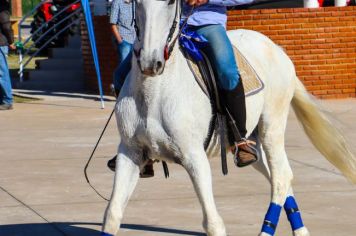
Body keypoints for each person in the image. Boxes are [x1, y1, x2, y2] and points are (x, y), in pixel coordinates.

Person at [183, 0, 259, 167]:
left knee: (227, 72)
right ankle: (137, 144)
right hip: (171, 25)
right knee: (127, 71)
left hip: (208, 25)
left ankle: (240, 140)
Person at [107, 0, 155, 177]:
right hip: (136, 42)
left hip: (159, 39)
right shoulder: (128, 3)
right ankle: (127, 123)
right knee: (120, 75)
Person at [109, 0, 135, 96]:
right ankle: (121, 93)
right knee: (124, 68)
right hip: (125, 41)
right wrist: (120, 39)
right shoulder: (117, 2)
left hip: (136, 41)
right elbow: (113, 23)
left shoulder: (136, 3)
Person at [0, 0, 15, 111]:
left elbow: (6, 27)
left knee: (1, 73)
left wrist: (11, 41)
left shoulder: (2, 10)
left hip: (0, 43)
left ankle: (7, 100)